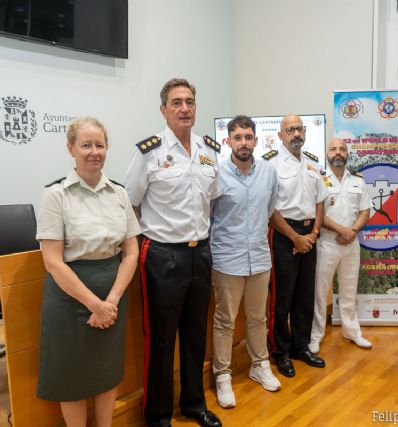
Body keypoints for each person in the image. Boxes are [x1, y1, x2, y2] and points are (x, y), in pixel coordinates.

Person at [124, 78, 222, 427]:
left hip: (201, 253)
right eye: (177, 102)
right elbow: (130, 203)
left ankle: (194, 404)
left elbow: (212, 199)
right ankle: (158, 415)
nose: (185, 108)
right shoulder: (148, 151)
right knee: (161, 340)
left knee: (196, 335)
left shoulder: (209, 150)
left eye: (190, 102)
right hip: (163, 255)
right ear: (163, 109)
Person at [36, 117, 141, 427]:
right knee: (72, 375)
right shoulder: (56, 195)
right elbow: (53, 261)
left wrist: (112, 301)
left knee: (106, 370)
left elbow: (131, 251)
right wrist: (95, 305)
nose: (94, 151)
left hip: (113, 292)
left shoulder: (119, 194)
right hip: (70, 298)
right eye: (86, 145)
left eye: (100, 144)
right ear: (71, 148)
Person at [210, 115, 281, 409]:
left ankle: (259, 365)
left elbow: (270, 208)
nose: (244, 143)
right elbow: (208, 212)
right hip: (227, 258)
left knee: (258, 317)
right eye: (237, 137)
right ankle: (222, 375)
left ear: (255, 140)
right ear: (228, 141)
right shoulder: (216, 172)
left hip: (260, 257)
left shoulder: (268, 172)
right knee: (225, 320)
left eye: (248, 137)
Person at [264, 114, 328, 378]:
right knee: (282, 298)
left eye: (299, 129)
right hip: (283, 235)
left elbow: (320, 201)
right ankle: (280, 352)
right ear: (280, 135)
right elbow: (270, 208)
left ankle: (301, 346)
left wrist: (313, 232)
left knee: (304, 295)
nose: (296, 134)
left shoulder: (312, 165)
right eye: (290, 130)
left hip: (309, 235)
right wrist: (294, 237)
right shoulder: (269, 165)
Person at [310, 138, 372, 353]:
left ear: (347, 154)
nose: (338, 153)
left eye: (342, 149)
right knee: (320, 292)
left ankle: (352, 331)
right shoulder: (318, 178)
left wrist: (352, 231)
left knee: (349, 290)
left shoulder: (358, 180)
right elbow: (318, 213)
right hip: (327, 243)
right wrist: (342, 230)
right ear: (326, 153)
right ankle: (316, 335)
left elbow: (365, 211)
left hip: (351, 244)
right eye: (333, 149)